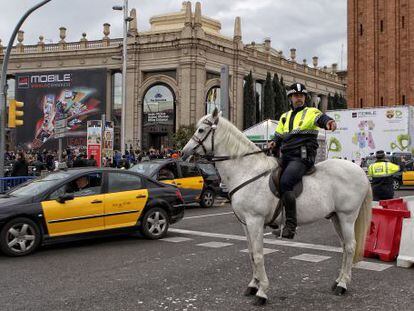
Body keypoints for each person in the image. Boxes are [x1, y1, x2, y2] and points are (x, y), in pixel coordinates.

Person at [268, 83, 337, 239]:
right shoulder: (284, 117)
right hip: (285, 157)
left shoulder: (312, 112)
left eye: (301, 96)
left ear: (305, 97)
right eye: (295, 95)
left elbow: (322, 119)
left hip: (302, 157)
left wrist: (329, 122)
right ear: (290, 98)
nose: (298, 98)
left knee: (285, 182)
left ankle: (291, 226)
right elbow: (278, 136)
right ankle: (274, 218)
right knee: (268, 177)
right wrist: (273, 142)